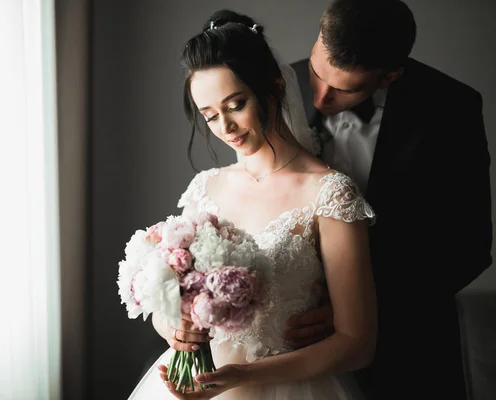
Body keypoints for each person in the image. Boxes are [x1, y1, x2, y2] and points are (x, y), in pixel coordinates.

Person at [127, 9, 377, 400]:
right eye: (209, 117)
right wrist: (173, 328)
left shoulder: (330, 193)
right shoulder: (205, 188)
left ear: (273, 86)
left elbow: (356, 343)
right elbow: (173, 300)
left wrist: (242, 375)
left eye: (235, 104)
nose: (225, 128)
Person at [284, 1, 493, 399]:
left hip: (409, 348)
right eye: (316, 73)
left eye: (344, 88)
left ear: (390, 76)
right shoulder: (277, 84)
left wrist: (356, 310)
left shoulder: (453, 107)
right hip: (296, 344)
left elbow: (470, 246)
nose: (319, 98)